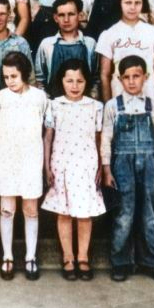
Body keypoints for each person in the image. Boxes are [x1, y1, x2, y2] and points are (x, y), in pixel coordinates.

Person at [101, 55, 154, 282]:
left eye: (136, 76)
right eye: (126, 77)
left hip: (148, 162)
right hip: (122, 164)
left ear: (145, 77)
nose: (131, 82)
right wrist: (107, 169)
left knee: (150, 214)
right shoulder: (113, 106)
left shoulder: (153, 104)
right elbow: (106, 139)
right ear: (119, 79)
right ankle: (121, 262)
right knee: (124, 213)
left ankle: (151, 261)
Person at [41, 58, 106, 281]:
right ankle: (68, 256)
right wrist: (47, 165)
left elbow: (100, 139)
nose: (75, 85)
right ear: (62, 81)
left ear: (86, 82)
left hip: (87, 164)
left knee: (84, 213)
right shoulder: (55, 105)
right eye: (69, 80)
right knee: (64, 211)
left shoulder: (95, 106)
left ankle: (83, 256)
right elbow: (48, 138)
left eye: (79, 80)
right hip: (62, 164)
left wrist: (100, 165)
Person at [0, 52, 48, 281]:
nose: (10, 81)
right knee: (7, 209)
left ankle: (31, 257)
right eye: (5, 76)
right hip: (6, 159)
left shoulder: (39, 97)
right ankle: (7, 256)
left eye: (14, 75)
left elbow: (44, 125)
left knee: (31, 210)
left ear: (24, 73)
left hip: (31, 159)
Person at [97, 0, 154, 112]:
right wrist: (108, 104)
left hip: (149, 92)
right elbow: (105, 74)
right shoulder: (109, 34)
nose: (133, 7)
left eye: (137, 3)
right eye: (128, 3)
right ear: (119, 3)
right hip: (120, 94)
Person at [34, 0, 97, 98]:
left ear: (79, 15)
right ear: (55, 18)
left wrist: (92, 99)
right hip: (54, 104)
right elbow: (40, 80)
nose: (66, 20)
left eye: (71, 14)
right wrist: (48, 101)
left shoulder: (90, 44)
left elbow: (95, 78)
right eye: (62, 15)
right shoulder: (47, 45)